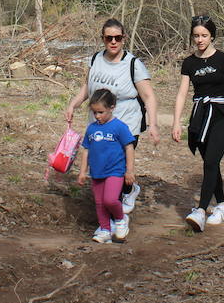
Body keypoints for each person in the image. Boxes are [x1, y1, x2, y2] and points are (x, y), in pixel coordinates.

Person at [65, 19, 159, 213]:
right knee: (102, 165)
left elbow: (148, 96)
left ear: (124, 38)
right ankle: (115, 204)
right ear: (103, 39)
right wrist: (73, 104)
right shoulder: (95, 60)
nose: (113, 42)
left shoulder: (133, 64)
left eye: (118, 37)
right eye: (109, 38)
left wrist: (153, 125)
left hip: (125, 125)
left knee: (118, 168)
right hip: (98, 125)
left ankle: (117, 209)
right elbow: (87, 88)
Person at [171, 16, 224, 232]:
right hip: (200, 116)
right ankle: (222, 206)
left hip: (221, 115)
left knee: (211, 161)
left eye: (204, 35)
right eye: (196, 36)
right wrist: (177, 122)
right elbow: (182, 94)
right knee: (211, 164)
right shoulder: (189, 63)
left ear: (212, 35)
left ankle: (201, 210)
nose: (200, 39)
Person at [75, 89, 136, 243]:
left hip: (115, 171)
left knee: (110, 200)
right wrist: (83, 171)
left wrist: (129, 171)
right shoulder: (92, 128)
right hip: (97, 172)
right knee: (100, 203)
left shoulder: (119, 127)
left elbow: (129, 147)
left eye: (101, 112)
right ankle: (104, 230)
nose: (97, 116)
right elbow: (86, 150)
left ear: (112, 107)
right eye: (94, 113)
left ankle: (120, 220)